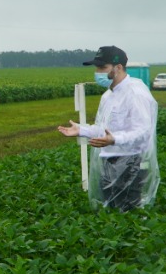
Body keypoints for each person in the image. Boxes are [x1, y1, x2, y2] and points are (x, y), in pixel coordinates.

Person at [57, 45, 160, 210]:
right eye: (96, 67)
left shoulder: (135, 93)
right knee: (110, 210)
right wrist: (82, 130)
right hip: (109, 161)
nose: (98, 72)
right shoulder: (109, 95)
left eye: (102, 67)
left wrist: (114, 140)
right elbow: (105, 129)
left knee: (129, 212)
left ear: (118, 67)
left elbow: (143, 131)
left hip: (131, 162)